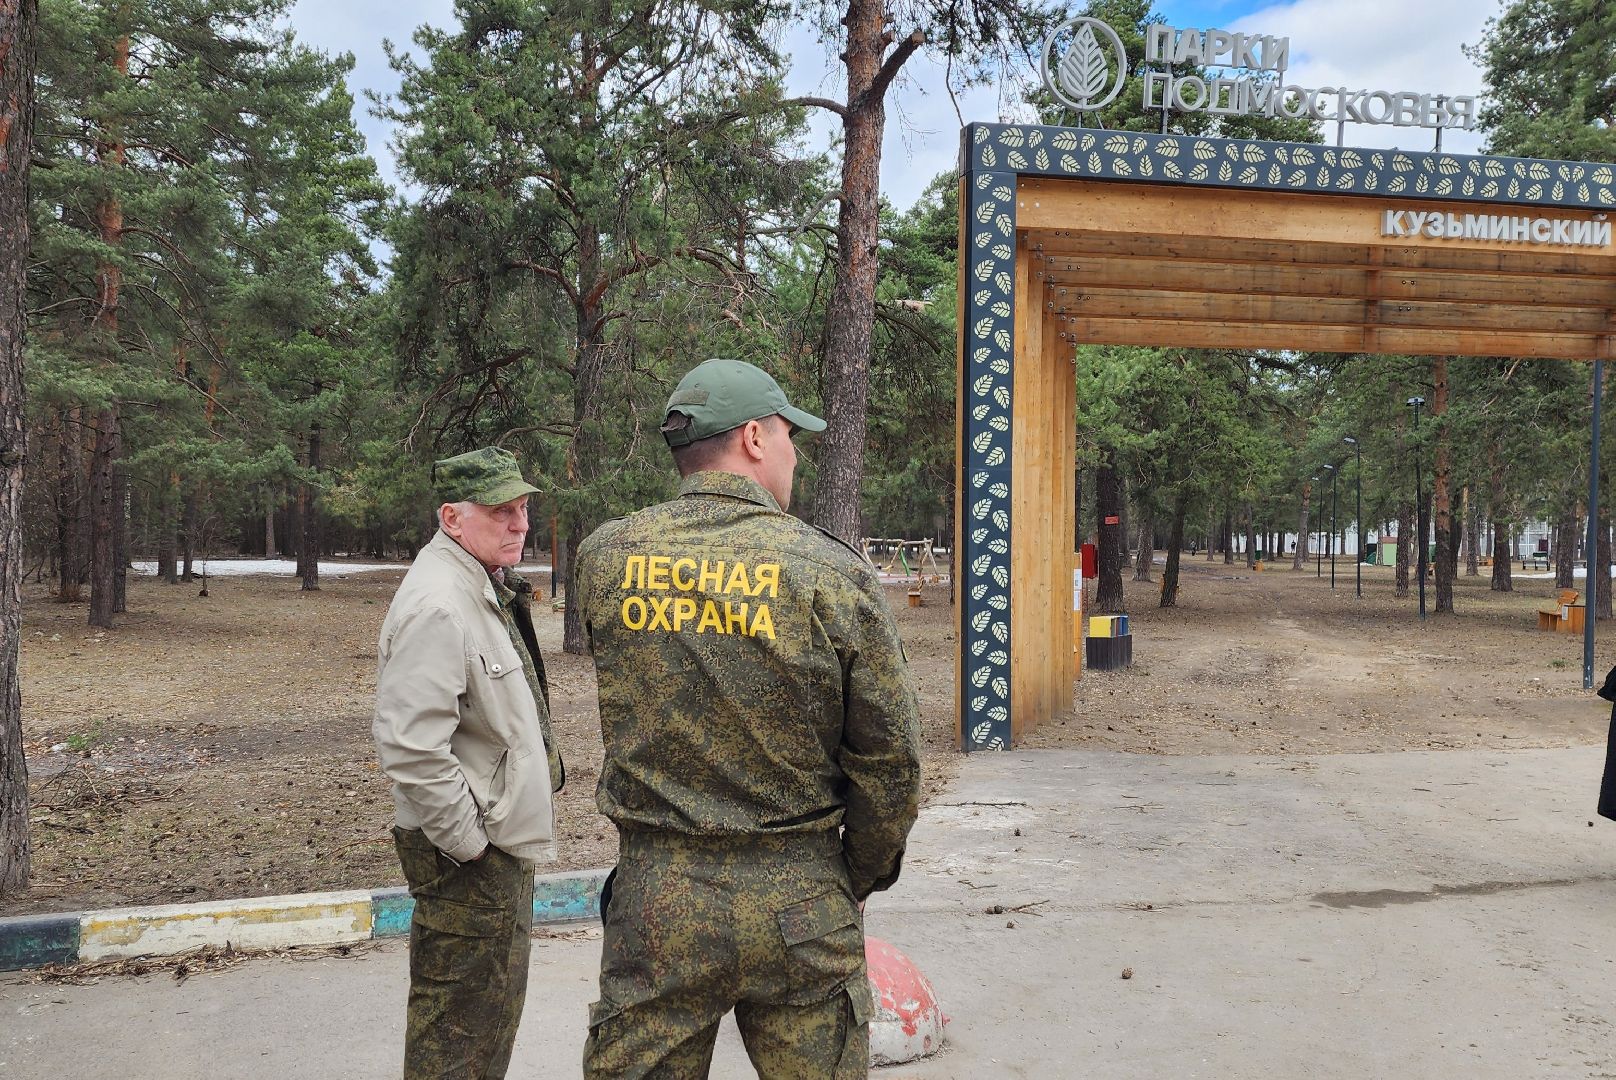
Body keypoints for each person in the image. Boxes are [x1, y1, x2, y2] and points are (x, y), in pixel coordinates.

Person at [576, 358, 922, 1079]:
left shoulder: (607, 556)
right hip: (802, 898)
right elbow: (889, 764)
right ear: (756, 438)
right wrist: (853, 876)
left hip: (659, 898)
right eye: (793, 436)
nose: (797, 453)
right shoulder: (828, 570)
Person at [373, 446, 565, 1080]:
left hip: (489, 843)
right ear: (452, 517)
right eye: (500, 511)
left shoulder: (476, 583)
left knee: (483, 1023)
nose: (519, 525)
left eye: (522, 509)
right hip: (468, 856)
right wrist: (469, 845)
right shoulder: (440, 602)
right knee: (459, 1035)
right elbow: (409, 745)